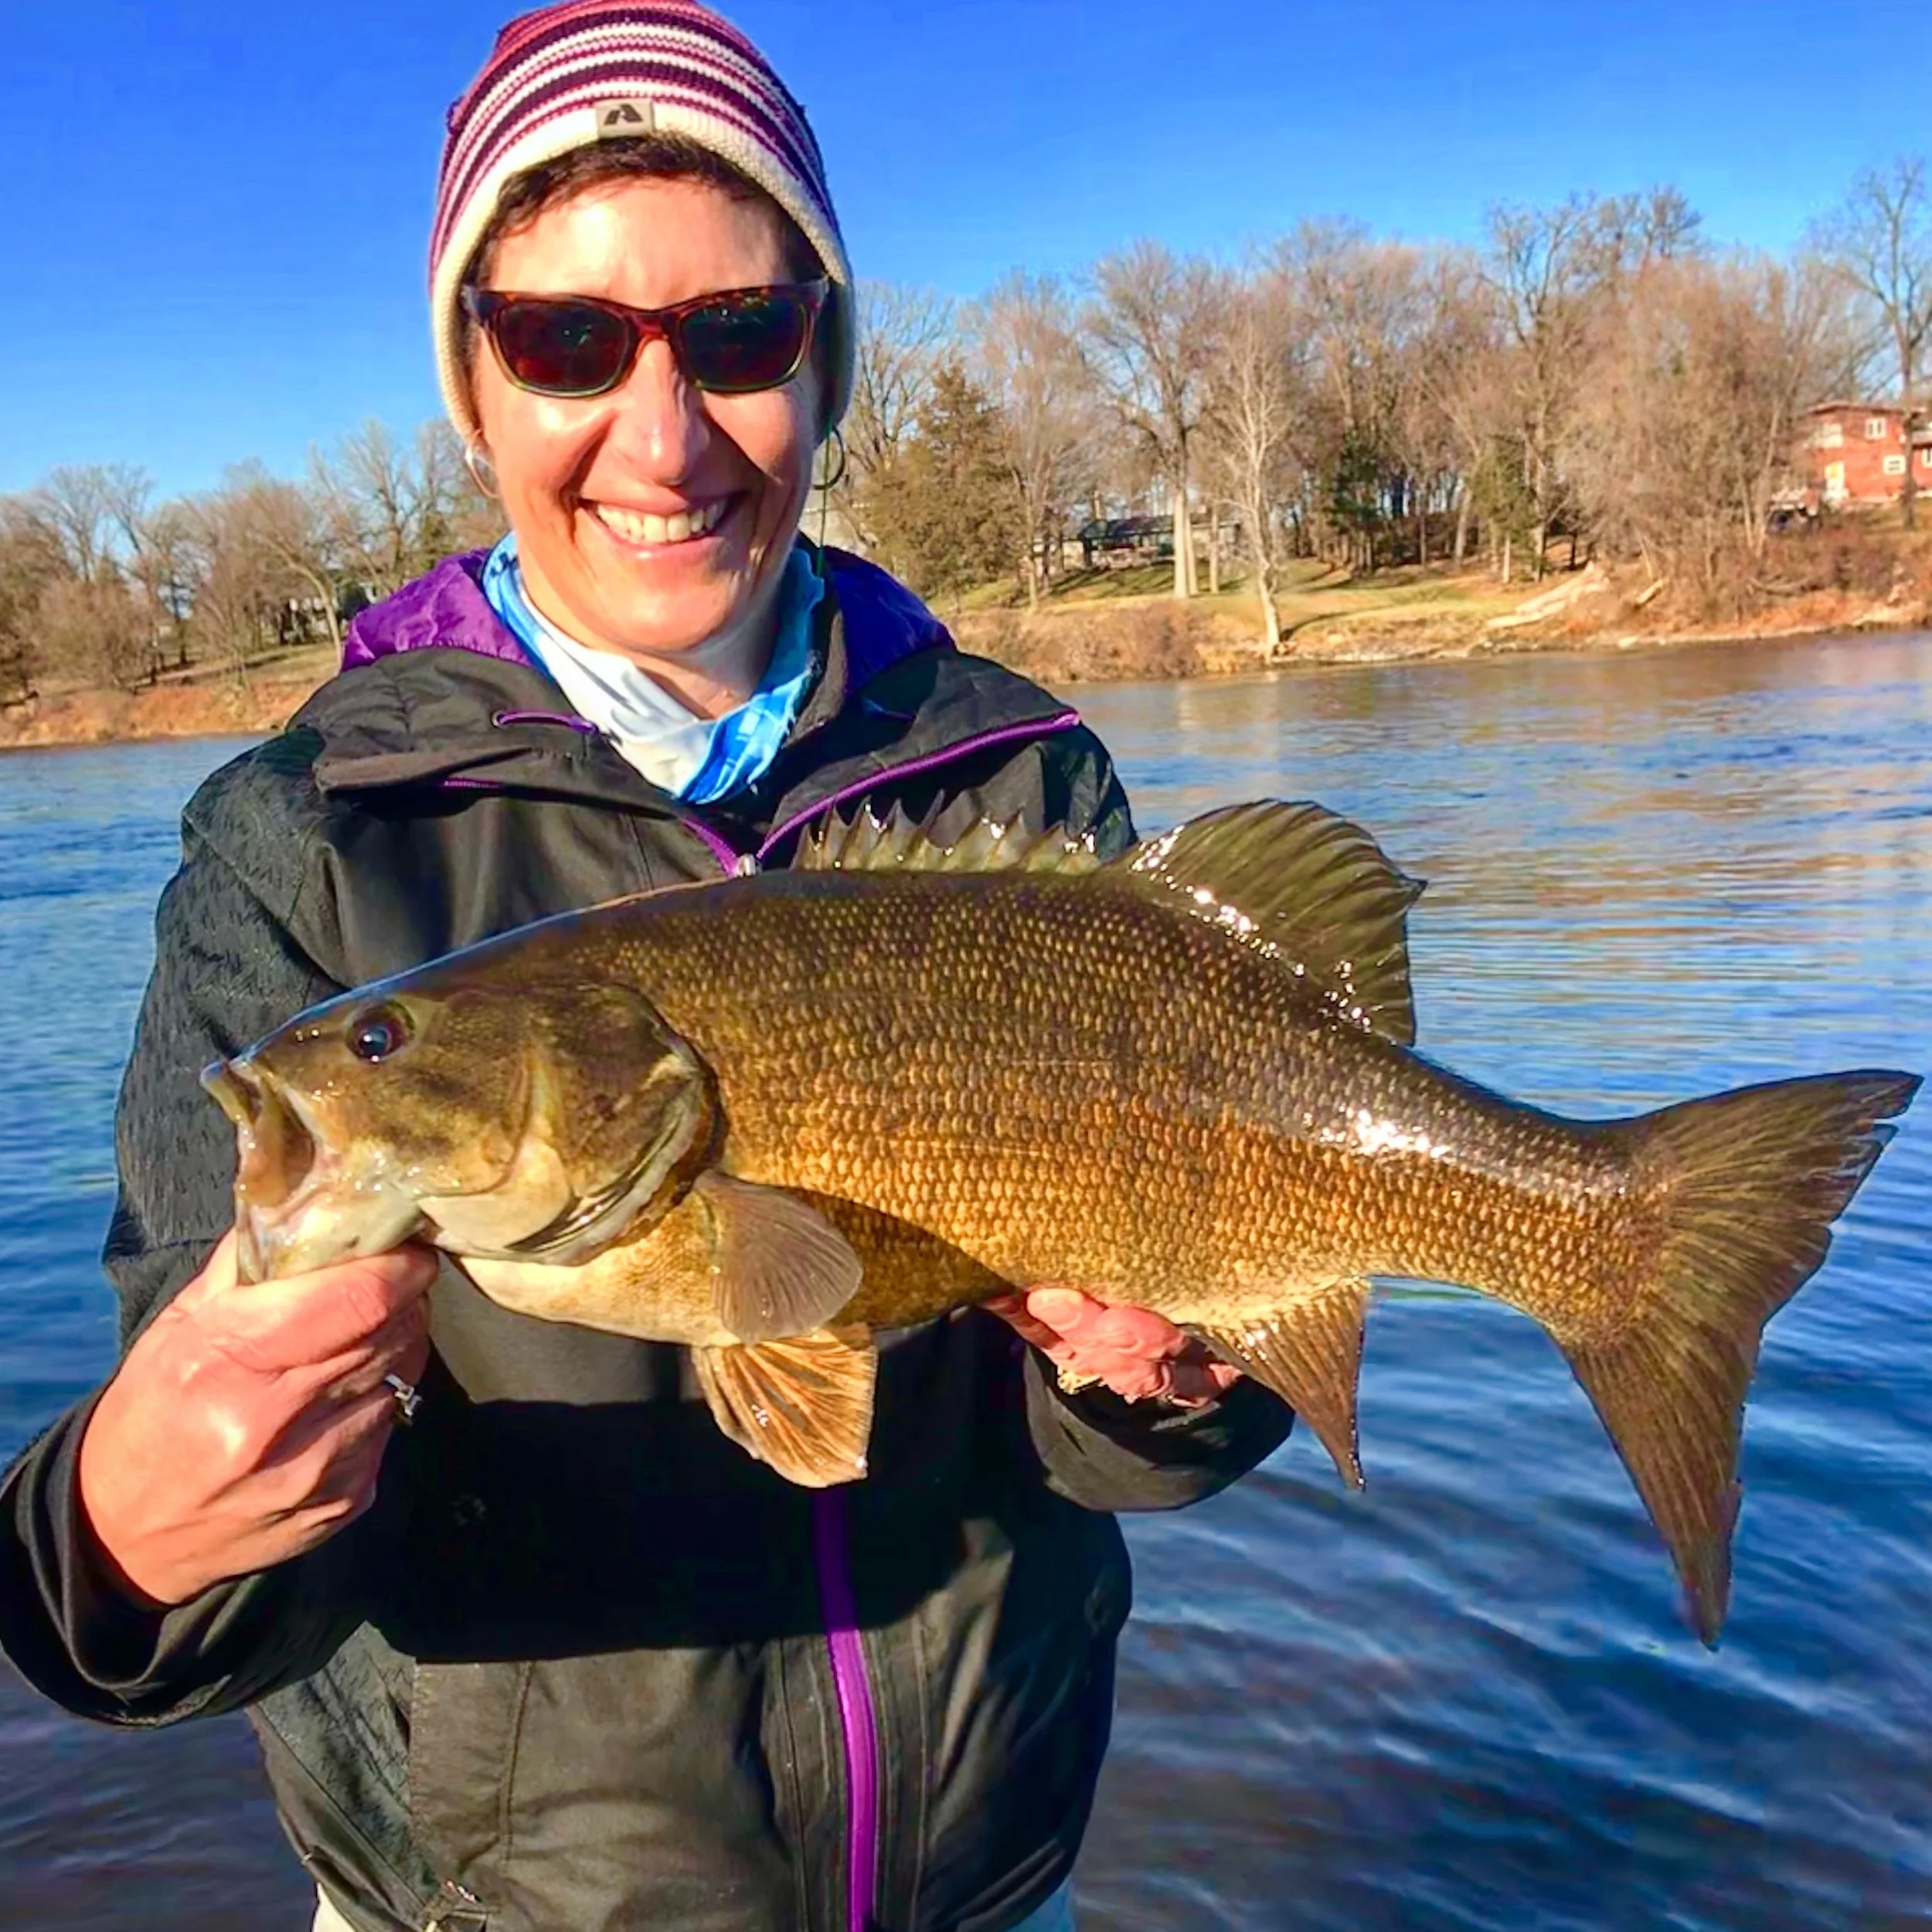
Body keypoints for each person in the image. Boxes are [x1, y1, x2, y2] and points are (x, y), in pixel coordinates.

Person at [0, 6, 1293, 1927]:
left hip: (982, 1874)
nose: (663, 432)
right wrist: (115, 1536)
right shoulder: (305, 847)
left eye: (743, 333)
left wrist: (1177, 1386)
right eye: (567, 340)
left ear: (828, 360)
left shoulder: (1021, 778)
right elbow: (182, 1581)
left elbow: (1125, 1433)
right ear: (472, 382)